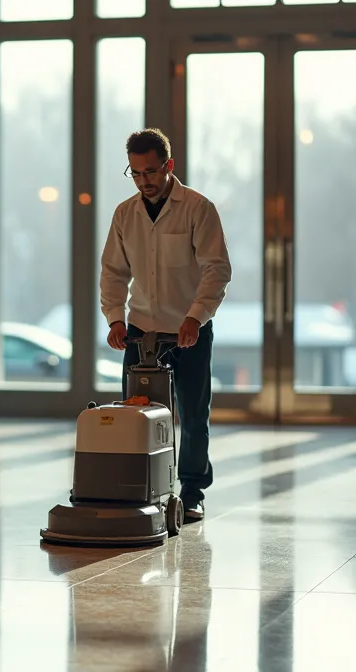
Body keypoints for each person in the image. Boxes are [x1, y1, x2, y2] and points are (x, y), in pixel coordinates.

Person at [99, 128, 231, 521]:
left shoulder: (197, 208)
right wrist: (114, 318)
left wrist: (196, 316)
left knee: (192, 413)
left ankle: (191, 491)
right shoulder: (125, 214)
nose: (144, 181)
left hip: (189, 328)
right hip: (140, 330)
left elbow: (216, 270)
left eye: (151, 172)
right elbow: (113, 273)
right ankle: (140, 486)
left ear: (169, 166)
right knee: (137, 413)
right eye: (136, 173)